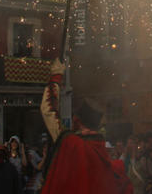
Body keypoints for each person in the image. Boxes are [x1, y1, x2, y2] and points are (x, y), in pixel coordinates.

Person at [38, 59, 132, 194]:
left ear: (77, 120)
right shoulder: (103, 153)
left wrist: (56, 77)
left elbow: (48, 109)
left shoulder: (72, 143)